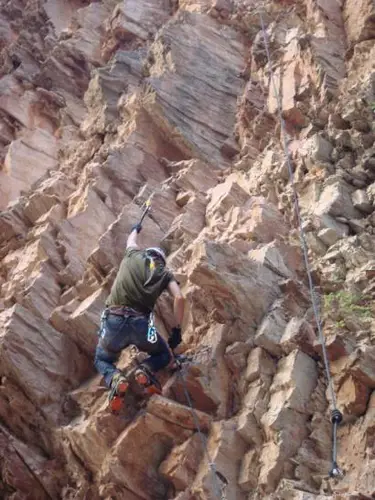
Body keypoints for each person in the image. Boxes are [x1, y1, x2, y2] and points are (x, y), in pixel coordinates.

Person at [94, 221, 185, 411]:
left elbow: (131, 239)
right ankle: (145, 369)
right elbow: (179, 297)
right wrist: (176, 329)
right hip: (140, 325)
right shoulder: (165, 274)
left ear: (148, 254)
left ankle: (116, 378)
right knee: (162, 353)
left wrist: (136, 228)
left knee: (102, 359)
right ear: (161, 260)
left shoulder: (132, 254)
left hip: (113, 321)